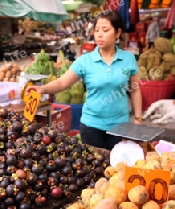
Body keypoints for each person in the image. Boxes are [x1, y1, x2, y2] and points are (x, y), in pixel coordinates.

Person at [26, 10, 142, 150]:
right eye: (97, 30)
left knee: (118, 168)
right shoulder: (85, 61)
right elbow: (62, 82)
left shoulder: (128, 58)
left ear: (117, 33)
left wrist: (138, 119)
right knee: (94, 168)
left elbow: (135, 90)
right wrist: (42, 89)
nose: (99, 34)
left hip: (121, 127)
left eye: (105, 30)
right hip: (91, 126)